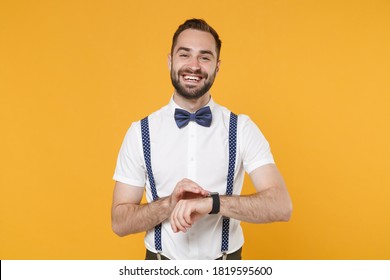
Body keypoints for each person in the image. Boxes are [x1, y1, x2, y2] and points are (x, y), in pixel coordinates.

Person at [111, 18, 292, 260]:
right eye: (185, 55)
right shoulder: (140, 132)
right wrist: (169, 204)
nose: (194, 66)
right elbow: (119, 223)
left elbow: (281, 206)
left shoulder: (242, 128)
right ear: (170, 61)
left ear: (217, 67)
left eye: (204, 57)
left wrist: (212, 204)